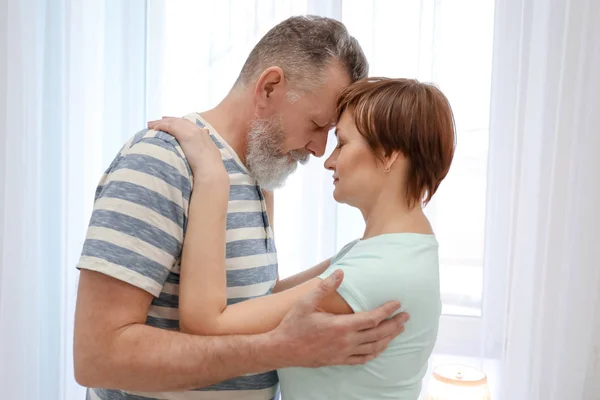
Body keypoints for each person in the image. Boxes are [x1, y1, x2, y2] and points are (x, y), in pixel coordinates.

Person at [73, 16, 409, 400]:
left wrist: (358, 262)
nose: (319, 150)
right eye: (317, 124)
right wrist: (281, 349)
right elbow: (97, 356)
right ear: (269, 87)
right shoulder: (162, 161)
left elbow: (250, 302)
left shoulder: (257, 176)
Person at [147, 76, 456, 399]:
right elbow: (271, 296)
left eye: (342, 143)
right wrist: (262, 174)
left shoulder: (379, 272)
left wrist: (211, 177)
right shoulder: (393, 251)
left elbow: (206, 323)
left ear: (390, 154)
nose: (329, 160)